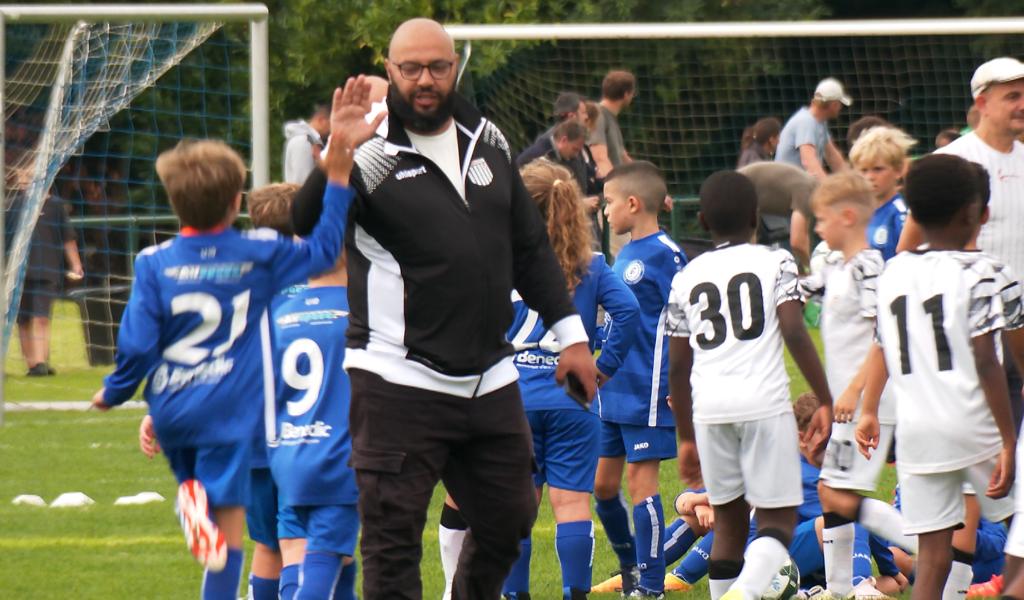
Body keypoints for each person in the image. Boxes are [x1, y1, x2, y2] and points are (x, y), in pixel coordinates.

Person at [289, 18, 598, 600]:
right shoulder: (368, 151)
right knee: (392, 543)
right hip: (396, 379)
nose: (425, 80)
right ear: (391, 71)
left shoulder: (491, 138)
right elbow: (306, 226)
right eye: (411, 68)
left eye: (438, 66)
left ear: (455, 67)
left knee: (508, 520)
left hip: (490, 378)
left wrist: (572, 337)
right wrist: (337, 150)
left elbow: (530, 248)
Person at [89, 79, 370, 599]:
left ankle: (189, 494)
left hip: (178, 409)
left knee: (221, 538)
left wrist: (115, 390)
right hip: (238, 413)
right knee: (241, 546)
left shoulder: (153, 262)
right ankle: (197, 501)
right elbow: (324, 246)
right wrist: (335, 175)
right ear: (238, 199)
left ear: (174, 203)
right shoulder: (257, 251)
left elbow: (136, 343)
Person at [666, 170, 833, 600]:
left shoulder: (686, 276)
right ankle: (744, 593)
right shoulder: (775, 260)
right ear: (756, 215)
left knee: (729, 524)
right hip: (763, 403)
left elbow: (679, 365)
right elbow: (795, 331)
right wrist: (827, 398)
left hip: (709, 411)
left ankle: (729, 592)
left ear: (701, 221)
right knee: (777, 522)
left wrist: (685, 438)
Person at [857, 153, 1017, 600]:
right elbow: (991, 359)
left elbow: (883, 343)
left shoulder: (893, 273)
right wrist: (1007, 438)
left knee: (932, 555)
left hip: (917, 434)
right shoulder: (988, 271)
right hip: (975, 424)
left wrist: (869, 409)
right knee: (1019, 526)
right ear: (979, 214)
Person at [499, 160, 641, 600]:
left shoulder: (502, 257)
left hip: (513, 396)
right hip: (572, 395)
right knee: (572, 504)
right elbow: (629, 311)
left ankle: (515, 595)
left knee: (518, 508)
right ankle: (574, 594)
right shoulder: (592, 264)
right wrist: (604, 367)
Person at [797, 172, 917, 598]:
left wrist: (852, 392)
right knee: (833, 491)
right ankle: (840, 588)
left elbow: (883, 335)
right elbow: (795, 293)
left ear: (847, 216)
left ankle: (939, 548)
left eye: (821, 219)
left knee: (837, 492)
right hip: (852, 402)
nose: (816, 227)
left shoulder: (870, 267)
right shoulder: (836, 265)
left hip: (870, 400)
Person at [590, 161, 686, 599]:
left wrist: (680, 388)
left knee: (639, 483)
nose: (605, 211)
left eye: (609, 202)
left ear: (632, 203)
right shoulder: (624, 253)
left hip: (648, 390)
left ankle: (650, 586)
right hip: (611, 387)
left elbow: (686, 325)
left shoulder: (667, 255)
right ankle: (633, 567)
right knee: (602, 487)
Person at [933, 56, 1024, 432]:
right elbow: (917, 252)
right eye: (1013, 96)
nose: (1023, 104)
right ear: (982, 103)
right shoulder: (950, 164)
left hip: (1020, 330)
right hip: (970, 334)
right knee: (980, 452)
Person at [270, 237, 358, 600]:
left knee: (316, 552)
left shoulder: (279, 313)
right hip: (337, 458)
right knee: (325, 560)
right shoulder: (358, 314)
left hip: (288, 454)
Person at [14, 173, 84, 376]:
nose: (25, 181)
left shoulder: (55, 206)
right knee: (24, 320)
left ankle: (40, 362)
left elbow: (68, 238)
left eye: (30, 177)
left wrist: (76, 264)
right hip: (20, 273)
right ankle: (32, 364)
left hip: (47, 270)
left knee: (41, 317)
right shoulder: (13, 206)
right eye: (23, 177)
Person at [849, 126, 916, 261]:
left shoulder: (900, 215)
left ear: (898, 170)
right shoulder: (855, 214)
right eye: (863, 170)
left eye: (878, 169)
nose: (870, 177)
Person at [736, 161, 818, 269]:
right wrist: (808, 270)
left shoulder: (811, 187)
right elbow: (797, 242)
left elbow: (803, 239)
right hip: (736, 191)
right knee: (747, 254)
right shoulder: (808, 194)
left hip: (737, 188)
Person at [775, 77, 851, 180]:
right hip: (787, 186)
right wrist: (828, 187)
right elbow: (808, 161)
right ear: (834, 105)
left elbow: (833, 156)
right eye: (840, 104)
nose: (841, 107)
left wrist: (853, 182)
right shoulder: (806, 121)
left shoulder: (820, 122)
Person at [283, 103, 330, 184]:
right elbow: (302, 182)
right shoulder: (303, 142)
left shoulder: (309, 141)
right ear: (321, 120)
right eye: (331, 122)